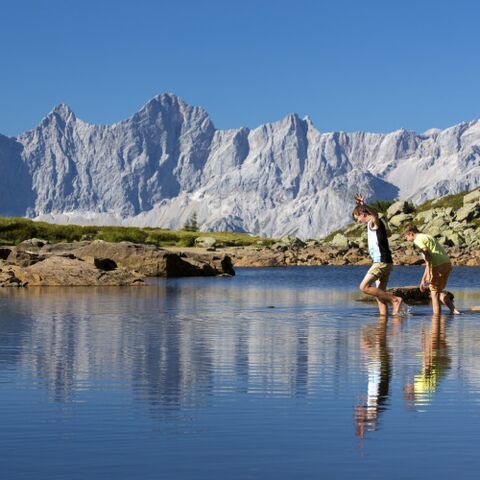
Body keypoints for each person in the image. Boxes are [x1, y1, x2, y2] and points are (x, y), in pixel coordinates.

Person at [352, 195, 403, 316]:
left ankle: (395, 300)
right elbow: (388, 234)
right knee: (380, 295)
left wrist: (363, 205)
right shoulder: (378, 226)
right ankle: (383, 322)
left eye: (357, 218)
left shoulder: (373, 223)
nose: (358, 222)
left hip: (381, 262)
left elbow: (375, 214)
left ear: (362, 214)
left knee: (363, 287)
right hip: (386, 262)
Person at [403, 224, 460, 315]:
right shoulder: (427, 236)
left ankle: (436, 317)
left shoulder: (417, 240)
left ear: (410, 233)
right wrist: (423, 280)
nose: (406, 239)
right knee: (438, 290)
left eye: (405, 236)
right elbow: (428, 261)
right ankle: (455, 311)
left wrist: (429, 273)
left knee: (434, 293)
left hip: (437, 264)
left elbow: (427, 255)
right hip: (446, 263)